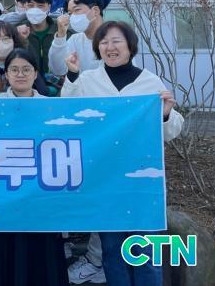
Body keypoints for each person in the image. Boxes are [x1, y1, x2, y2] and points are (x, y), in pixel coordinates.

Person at [62, 21, 184, 286]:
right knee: (112, 251)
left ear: (130, 46)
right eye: (104, 42)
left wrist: (165, 114)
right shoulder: (87, 80)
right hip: (104, 178)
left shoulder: (150, 82)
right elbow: (69, 112)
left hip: (143, 180)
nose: (110, 47)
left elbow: (172, 131)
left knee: (145, 252)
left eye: (116, 41)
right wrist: (71, 76)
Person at [0, 49, 69, 286]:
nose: (20, 74)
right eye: (14, 69)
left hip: (40, 193)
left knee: (42, 254)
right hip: (3, 192)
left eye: (26, 69)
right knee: (3, 251)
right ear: (7, 74)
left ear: (35, 73)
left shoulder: (52, 106)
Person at [45, 0, 107, 284]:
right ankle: (68, 243)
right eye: (69, 12)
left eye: (77, 10)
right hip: (79, 123)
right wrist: (60, 35)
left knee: (103, 188)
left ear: (95, 10)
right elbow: (57, 68)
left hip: (109, 125)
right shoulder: (75, 40)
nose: (73, 17)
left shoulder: (114, 37)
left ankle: (97, 260)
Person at [21, 0, 62, 95]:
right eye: (30, 5)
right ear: (24, 6)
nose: (35, 9)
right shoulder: (16, 32)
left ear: (49, 6)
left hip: (59, 91)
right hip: (27, 92)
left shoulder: (62, 31)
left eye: (40, 6)